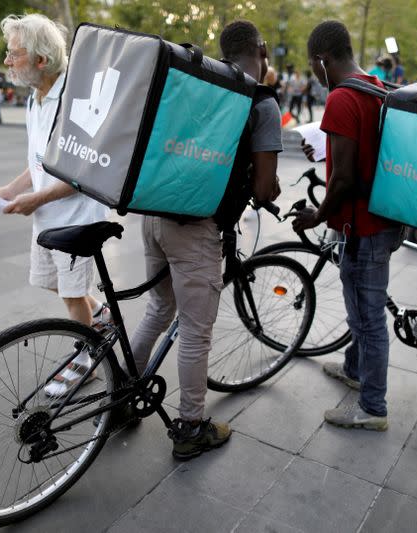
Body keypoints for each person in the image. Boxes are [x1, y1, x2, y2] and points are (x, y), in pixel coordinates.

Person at [129, 19, 282, 460]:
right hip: (196, 228)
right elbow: (264, 188)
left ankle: (122, 396)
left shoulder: (199, 85)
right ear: (261, 47)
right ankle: (192, 426)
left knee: (159, 309)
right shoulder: (259, 102)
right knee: (196, 332)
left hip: (154, 215)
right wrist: (264, 187)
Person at [0, 13, 111, 396]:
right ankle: (99, 315)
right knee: (52, 283)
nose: (7, 62)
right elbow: (40, 161)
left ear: (41, 59)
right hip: (47, 215)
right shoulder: (36, 98)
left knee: (72, 295)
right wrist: (9, 189)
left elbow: (84, 171)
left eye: (13, 54)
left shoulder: (74, 100)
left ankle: (86, 361)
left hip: (76, 217)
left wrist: (34, 198)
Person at [291, 20, 402, 431]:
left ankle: (373, 408)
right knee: (363, 308)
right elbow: (362, 155)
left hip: (364, 226)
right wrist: (325, 152)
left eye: (311, 66)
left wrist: (317, 214)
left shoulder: (341, 98)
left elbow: (344, 179)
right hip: (384, 219)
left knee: (368, 319)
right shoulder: (375, 86)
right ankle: (355, 370)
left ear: (322, 60)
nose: (313, 76)